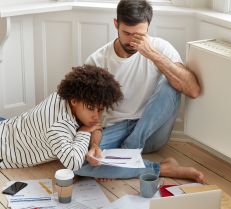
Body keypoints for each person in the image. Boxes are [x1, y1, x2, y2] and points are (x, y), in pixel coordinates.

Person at [75, 0, 204, 182]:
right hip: (115, 131)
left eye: (139, 35)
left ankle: (128, 152)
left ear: (148, 28)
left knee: (172, 82)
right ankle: (162, 168)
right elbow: (88, 117)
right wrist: (94, 145)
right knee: (77, 163)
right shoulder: (97, 61)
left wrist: (152, 54)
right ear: (116, 25)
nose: (132, 41)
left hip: (151, 132)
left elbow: (193, 90)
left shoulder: (160, 48)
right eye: (126, 33)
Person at [0, 65, 123, 170]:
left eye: (100, 109)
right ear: (74, 101)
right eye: (91, 108)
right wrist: (84, 132)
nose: (96, 116)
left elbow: (96, 126)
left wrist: (95, 146)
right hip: (4, 153)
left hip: (8, 129)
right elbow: (73, 164)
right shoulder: (57, 124)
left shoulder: (69, 97)